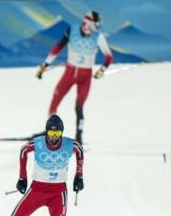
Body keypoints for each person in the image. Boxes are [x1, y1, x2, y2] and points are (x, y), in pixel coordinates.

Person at [35, 11, 113, 144]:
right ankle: (50, 131)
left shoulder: (98, 37)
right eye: (95, 25)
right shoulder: (72, 31)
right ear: (88, 24)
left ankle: (79, 136)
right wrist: (44, 65)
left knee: (79, 106)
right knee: (56, 98)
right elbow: (57, 48)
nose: (96, 29)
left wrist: (102, 69)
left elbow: (108, 56)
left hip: (85, 76)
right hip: (70, 73)